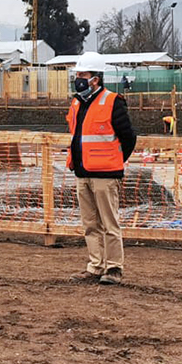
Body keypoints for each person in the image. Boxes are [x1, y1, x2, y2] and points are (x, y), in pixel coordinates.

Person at [67, 52, 136, 286]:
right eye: (77, 74)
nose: (78, 79)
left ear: (95, 79)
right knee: (90, 224)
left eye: (82, 75)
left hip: (106, 175)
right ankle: (95, 266)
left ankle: (114, 267)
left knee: (109, 224)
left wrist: (114, 161)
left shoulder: (113, 102)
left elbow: (128, 138)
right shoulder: (77, 103)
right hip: (83, 173)